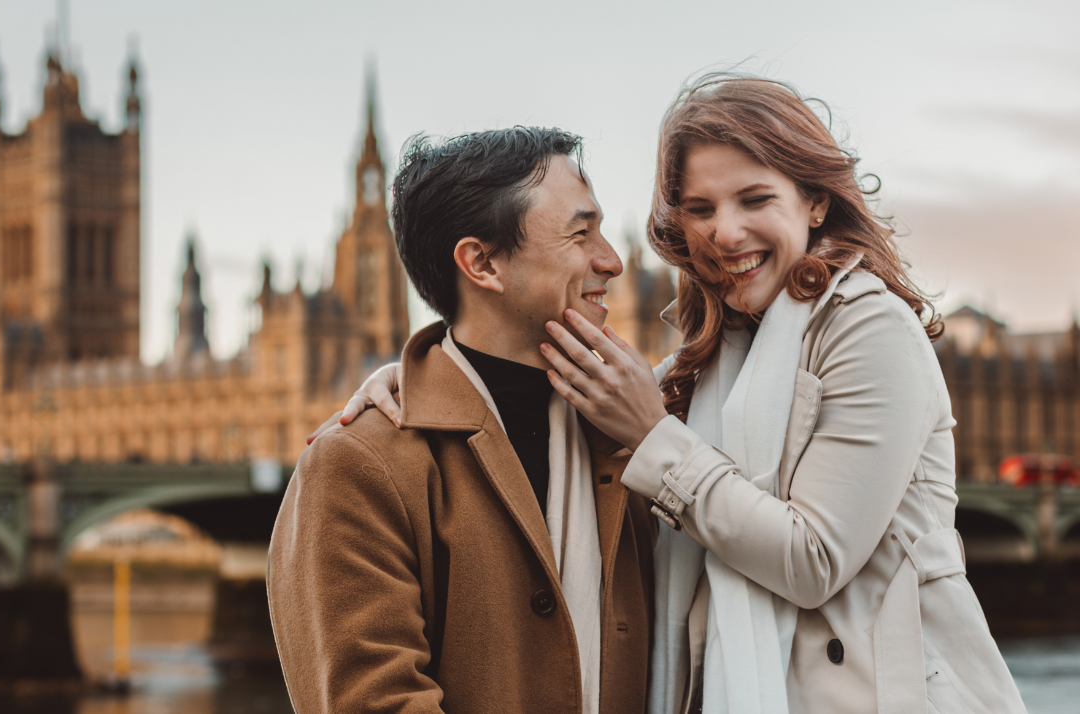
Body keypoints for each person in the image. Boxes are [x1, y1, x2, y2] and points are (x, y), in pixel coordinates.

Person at [322, 74, 1026, 714]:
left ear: (816, 201)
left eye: (755, 199)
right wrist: (427, 377)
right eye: (698, 208)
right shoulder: (706, 363)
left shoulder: (867, 328)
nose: (724, 232)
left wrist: (654, 436)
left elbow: (812, 559)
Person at [268, 127, 658, 714]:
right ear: (481, 263)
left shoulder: (637, 437)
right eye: (581, 234)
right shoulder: (357, 464)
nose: (612, 260)